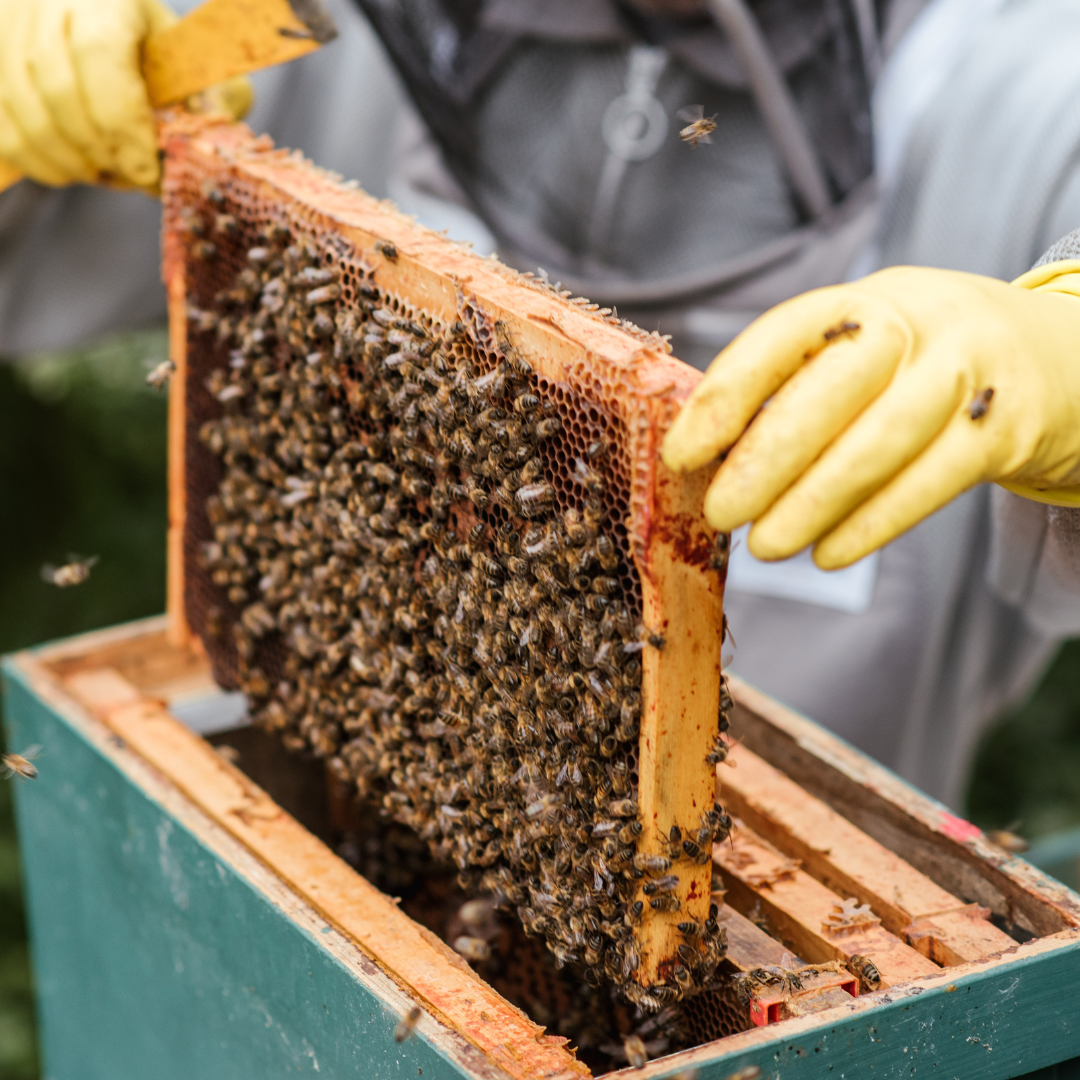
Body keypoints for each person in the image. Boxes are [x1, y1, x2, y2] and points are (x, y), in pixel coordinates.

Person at [3, 0, 1080, 808]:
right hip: (323, 825)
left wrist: (1056, 351)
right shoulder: (300, 21)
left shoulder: (1032, 76)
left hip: (789, 984)